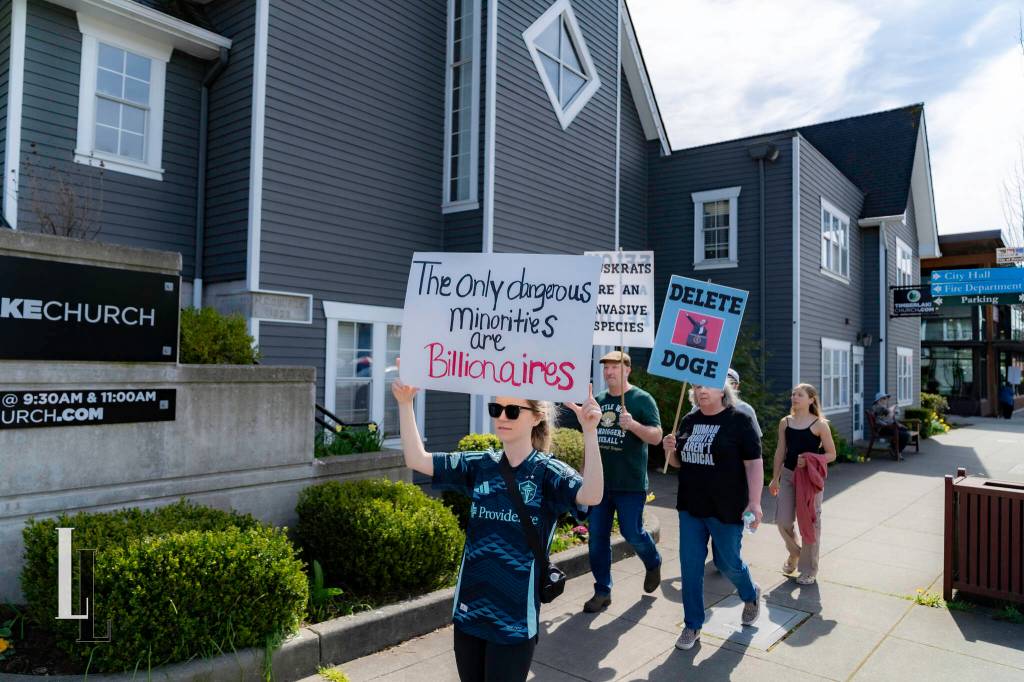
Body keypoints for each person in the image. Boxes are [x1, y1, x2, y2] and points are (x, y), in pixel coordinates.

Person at [392, 362, 604, 682]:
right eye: (496, 408)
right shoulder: (481, 464)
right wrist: (405, 403)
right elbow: (417, 460)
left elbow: (591, 495)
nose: (502, 417)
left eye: (512, 411)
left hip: (515, 621)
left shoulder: (548, 473)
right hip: (469, 613)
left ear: (536, 416)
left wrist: (590, 431)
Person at [662, 382, 764, 651]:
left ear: (723, 391)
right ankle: (693, 624)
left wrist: (755, 502)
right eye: (697, 386)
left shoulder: (739, 420)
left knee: (729, 563)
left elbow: (754, 463)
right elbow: (678, 462)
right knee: (690, 566)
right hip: (691, 506)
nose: (701, 390)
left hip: (727, 508)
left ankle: (751, 594)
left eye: (708, 386)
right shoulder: (688, 420)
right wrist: (669, 449)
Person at [583, 350, 663, 613]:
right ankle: (602, 591)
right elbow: (589, 440)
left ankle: (653, 561)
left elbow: (656, 437)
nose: (608, 372)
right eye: (605, 368)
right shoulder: (599, 401)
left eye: (614, 367)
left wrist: (635, 426)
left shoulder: (642, 399)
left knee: (632, 532)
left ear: (627, 370)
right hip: (600, 486)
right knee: (597, 539)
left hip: (630, 484)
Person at [768, 383, 837, 585]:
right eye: (793, 394)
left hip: (809, 480)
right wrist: (775, 478)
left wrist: (810, 460)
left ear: (811, 399)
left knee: (810, 524)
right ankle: (795, 553)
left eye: (799, 394)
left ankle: (809, 570)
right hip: (788, 476)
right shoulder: (785, 423)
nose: (794, 397)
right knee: (782, 521)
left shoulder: (820, 425)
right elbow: (781, 451)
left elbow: (831, 454)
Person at [688, 368, 762, 438]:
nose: (727, 385)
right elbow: (688, 433)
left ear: (737, 386)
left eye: (731, 382)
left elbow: (755, 439)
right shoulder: (699, 407)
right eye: (723, 382)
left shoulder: (745, 409)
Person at [871, 392, 909, 458]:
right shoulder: (877, 407)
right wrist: (893, 408)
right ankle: (897, 452)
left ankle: (894, 447)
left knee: (904, 430)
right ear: (879, 400)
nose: (886, 400)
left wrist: (897, 423)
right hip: (882, 429)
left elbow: (890, 416)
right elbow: (890, 414)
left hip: (887, 427)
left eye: (887, 398)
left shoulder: (881, 407)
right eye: (885, 398)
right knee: (905, 435)